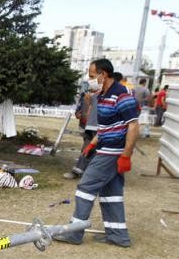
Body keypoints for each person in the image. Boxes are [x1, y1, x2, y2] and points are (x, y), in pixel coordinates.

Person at [55, 58, 139, 248]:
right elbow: (105, 126)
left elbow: (133, 126)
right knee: (111, 194)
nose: (89, 79)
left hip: (112, 152)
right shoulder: (103, 95)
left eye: (92, 76)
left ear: (103, 74)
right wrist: (92, 144)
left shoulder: (121, 94)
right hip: (106, 148)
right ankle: (118, 235)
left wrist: (126, 155)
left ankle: (74, 234)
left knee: (85, 188)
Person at [64, 84, 98, 179]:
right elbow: (81, 107)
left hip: (99, 127)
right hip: (88, 125)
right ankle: (79, 171)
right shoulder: (86, 95)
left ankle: (83, 171)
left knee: (92, 149)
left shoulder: (104, 95)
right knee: (87, 148)